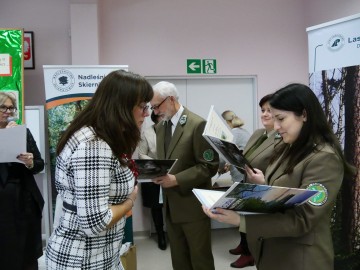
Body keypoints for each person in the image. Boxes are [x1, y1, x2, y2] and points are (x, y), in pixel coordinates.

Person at [202, 83, 354, 270]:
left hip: (300, 259)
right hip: (274, 250)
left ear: (304, 115)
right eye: (274, 119)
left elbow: (303, 219)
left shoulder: (324, 158)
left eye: (281, 119)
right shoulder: (287, 146)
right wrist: (263, 184)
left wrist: (239, 220)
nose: (276, 126)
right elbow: (287, 192)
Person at [45, 70, 153, 269]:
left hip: (101, 254)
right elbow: (95, 223)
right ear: (121, 106)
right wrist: (129, 201)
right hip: (83, 259)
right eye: (142, 106)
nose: (147, 113)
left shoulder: (102, 135)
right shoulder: (95, 146)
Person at [150, 81, 219, 270]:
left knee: (200, 259)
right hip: (171, 206)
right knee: (179, 259)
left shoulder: (197, 124)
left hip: (193, 207)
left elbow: (209, 165)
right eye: (152, 107)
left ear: (171, 99)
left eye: (157, 106)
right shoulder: (162, 127)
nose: (155, 112)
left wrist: (177, 179)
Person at [228, 94, 282, 268]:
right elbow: (246, 157)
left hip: (263, 190)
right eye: (263, 110)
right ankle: (245, 247)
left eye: (269, 111)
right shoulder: (258, 133)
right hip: (247, 184)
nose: (264, 114)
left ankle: (249, 253)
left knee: (255, 227)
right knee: (245, 223)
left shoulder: (282, 138)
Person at [0, 91, 45, 270]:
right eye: (3, 106)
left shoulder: (22, 132)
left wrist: (30, 161)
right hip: (2, 204)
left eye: (11, 107)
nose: (7, 111)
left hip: (23, 201)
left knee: (24, 251)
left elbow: (40, 164)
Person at [138, 111, 167, 250]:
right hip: (154, 173)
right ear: (156, 118)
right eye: (162, 116)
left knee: (173, 204)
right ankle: (160, 234)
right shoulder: (147, 133)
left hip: (171, 173)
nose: (165, 119)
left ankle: (174, 233)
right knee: (156, 206)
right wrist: (156, 163)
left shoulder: (173, 131)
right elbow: (141, 153)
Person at [219, 110, 251, 182]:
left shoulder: (233, 133)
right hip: (247, 174)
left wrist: (219, 168)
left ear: (225, 122)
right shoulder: (245, 132)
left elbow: (223, 155)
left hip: (240, 176)